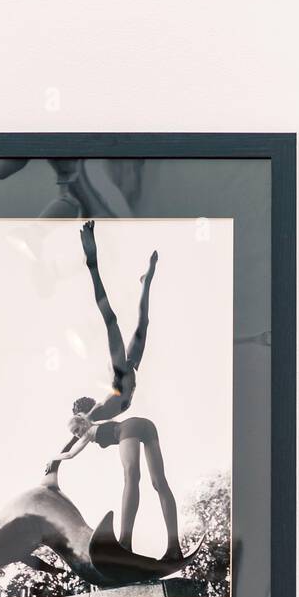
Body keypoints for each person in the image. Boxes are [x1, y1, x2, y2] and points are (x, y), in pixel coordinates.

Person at [50, 221, 181, 560]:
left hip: (122, 383)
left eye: (78, 424)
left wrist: (91, 257)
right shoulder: (93, 422)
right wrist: (56, 460)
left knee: (109, 316)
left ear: (80, 417)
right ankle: (172, 545)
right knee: (157, 483)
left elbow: (75, 439)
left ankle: (125, 542)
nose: (80, 430)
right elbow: (72, 449)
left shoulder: (93, 417)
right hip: (134, 391)